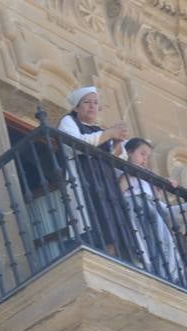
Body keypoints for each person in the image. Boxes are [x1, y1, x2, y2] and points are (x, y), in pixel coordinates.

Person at [56, 86, 136, 262]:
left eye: (95, 103)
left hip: (105, 182)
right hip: (85, 180)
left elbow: (115, 158)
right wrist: (109, 133)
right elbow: (77, 144)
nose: (92, 106)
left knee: (113, 223)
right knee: (96, 221)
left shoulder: (98, 129)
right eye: (87, 102)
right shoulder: (68, 121)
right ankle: (105, 255)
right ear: (77, 107)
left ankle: (115, 256)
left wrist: (116, 142)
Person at [119, 138, 185, 283]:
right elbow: (119, 192)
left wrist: (162, 185)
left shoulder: (147, 175)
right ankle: (150, 269)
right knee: (144, 241)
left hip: (151, 209)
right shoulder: (124, 171)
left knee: (162, 242)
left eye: (147, 157)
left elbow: (156, 197)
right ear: (130, 152)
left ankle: (165, 274)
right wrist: (131, 173)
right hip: (137, 208)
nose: (145, 159)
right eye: (142, 154)